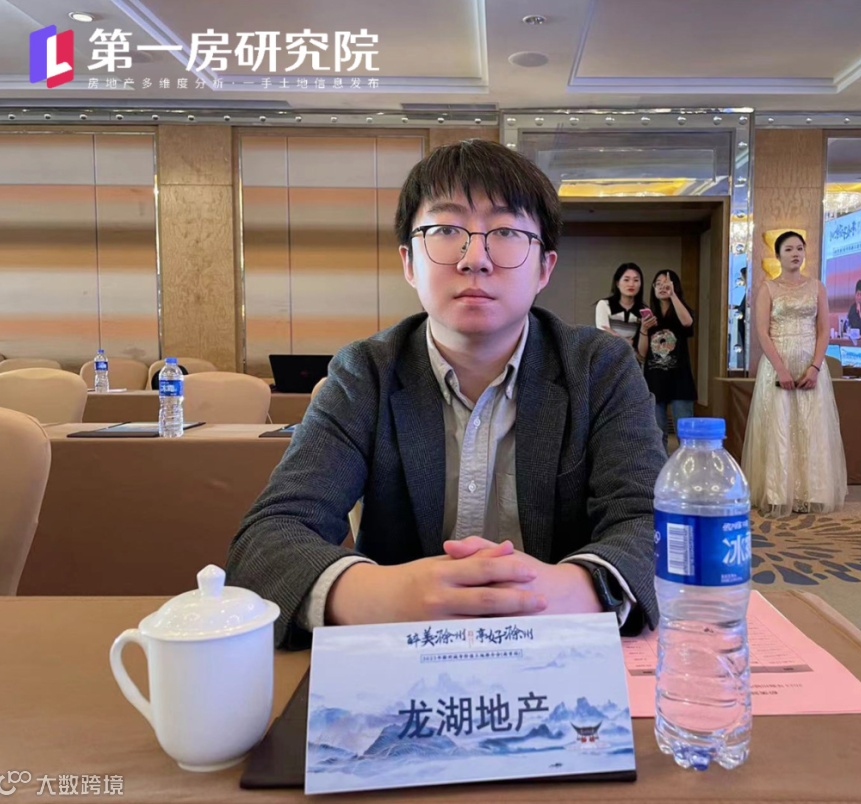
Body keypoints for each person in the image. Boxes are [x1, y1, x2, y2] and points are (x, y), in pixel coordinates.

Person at [227, 139, 667, 649]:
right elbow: (269, 537)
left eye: (506, 233)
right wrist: (385, 594)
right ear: (409, 263)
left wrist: (565, 592)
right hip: (404, 659)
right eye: (445, 230)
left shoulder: (599, 369)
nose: (474, 258)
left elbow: (649, 523)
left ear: (545, 268)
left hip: (557, 653)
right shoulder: (365, 373)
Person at [742, 231, 847, 517]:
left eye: (800, 248)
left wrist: (815, 367)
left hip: (810, 365)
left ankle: (812, 492)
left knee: (812, 427)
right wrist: (780, 368)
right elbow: (762, 332)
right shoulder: (768, 289)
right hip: (777, 366)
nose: (795, 253)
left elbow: (823, 331)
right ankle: (778, 492)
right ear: (778, 255)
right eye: (788, 249)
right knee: (779, 426)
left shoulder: (817, 287)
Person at [637, 270, 697, 439]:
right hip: (654, 381)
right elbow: (642, 353)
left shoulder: (681, 312)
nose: (662, 287)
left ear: (674, 286)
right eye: (658, 284)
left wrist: (672, 295)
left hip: (681, 381)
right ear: (653, 288)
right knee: (657, 435)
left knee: (686, 434)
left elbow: (687, 322)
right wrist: (644, 329)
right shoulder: (649, 317)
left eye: (667, 284)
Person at [594, 262, 646, 344]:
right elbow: (604, 335)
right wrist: (628, 342)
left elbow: (641, 343)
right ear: (617, 283)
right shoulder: (604, 305)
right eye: (626, 280)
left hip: (631, 352)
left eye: (636, 280)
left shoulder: (643, 310)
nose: (631, 284)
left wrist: (614, 334)